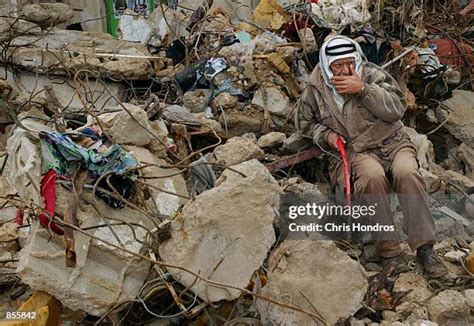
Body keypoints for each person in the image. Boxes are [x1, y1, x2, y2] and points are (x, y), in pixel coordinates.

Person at [295, 35, 448, 277]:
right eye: (338, 66)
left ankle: (425, 249)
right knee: (371, 179)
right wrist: (326, 135)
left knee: (407, 173)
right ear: (327, 66)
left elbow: (397, 108)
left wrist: (364, 90)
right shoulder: (316, 89)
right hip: (357, 151)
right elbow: (304, 123)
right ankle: (390, 254)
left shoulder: (371, 75)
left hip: (393, 143)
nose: (346, 70)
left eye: (350, 63)